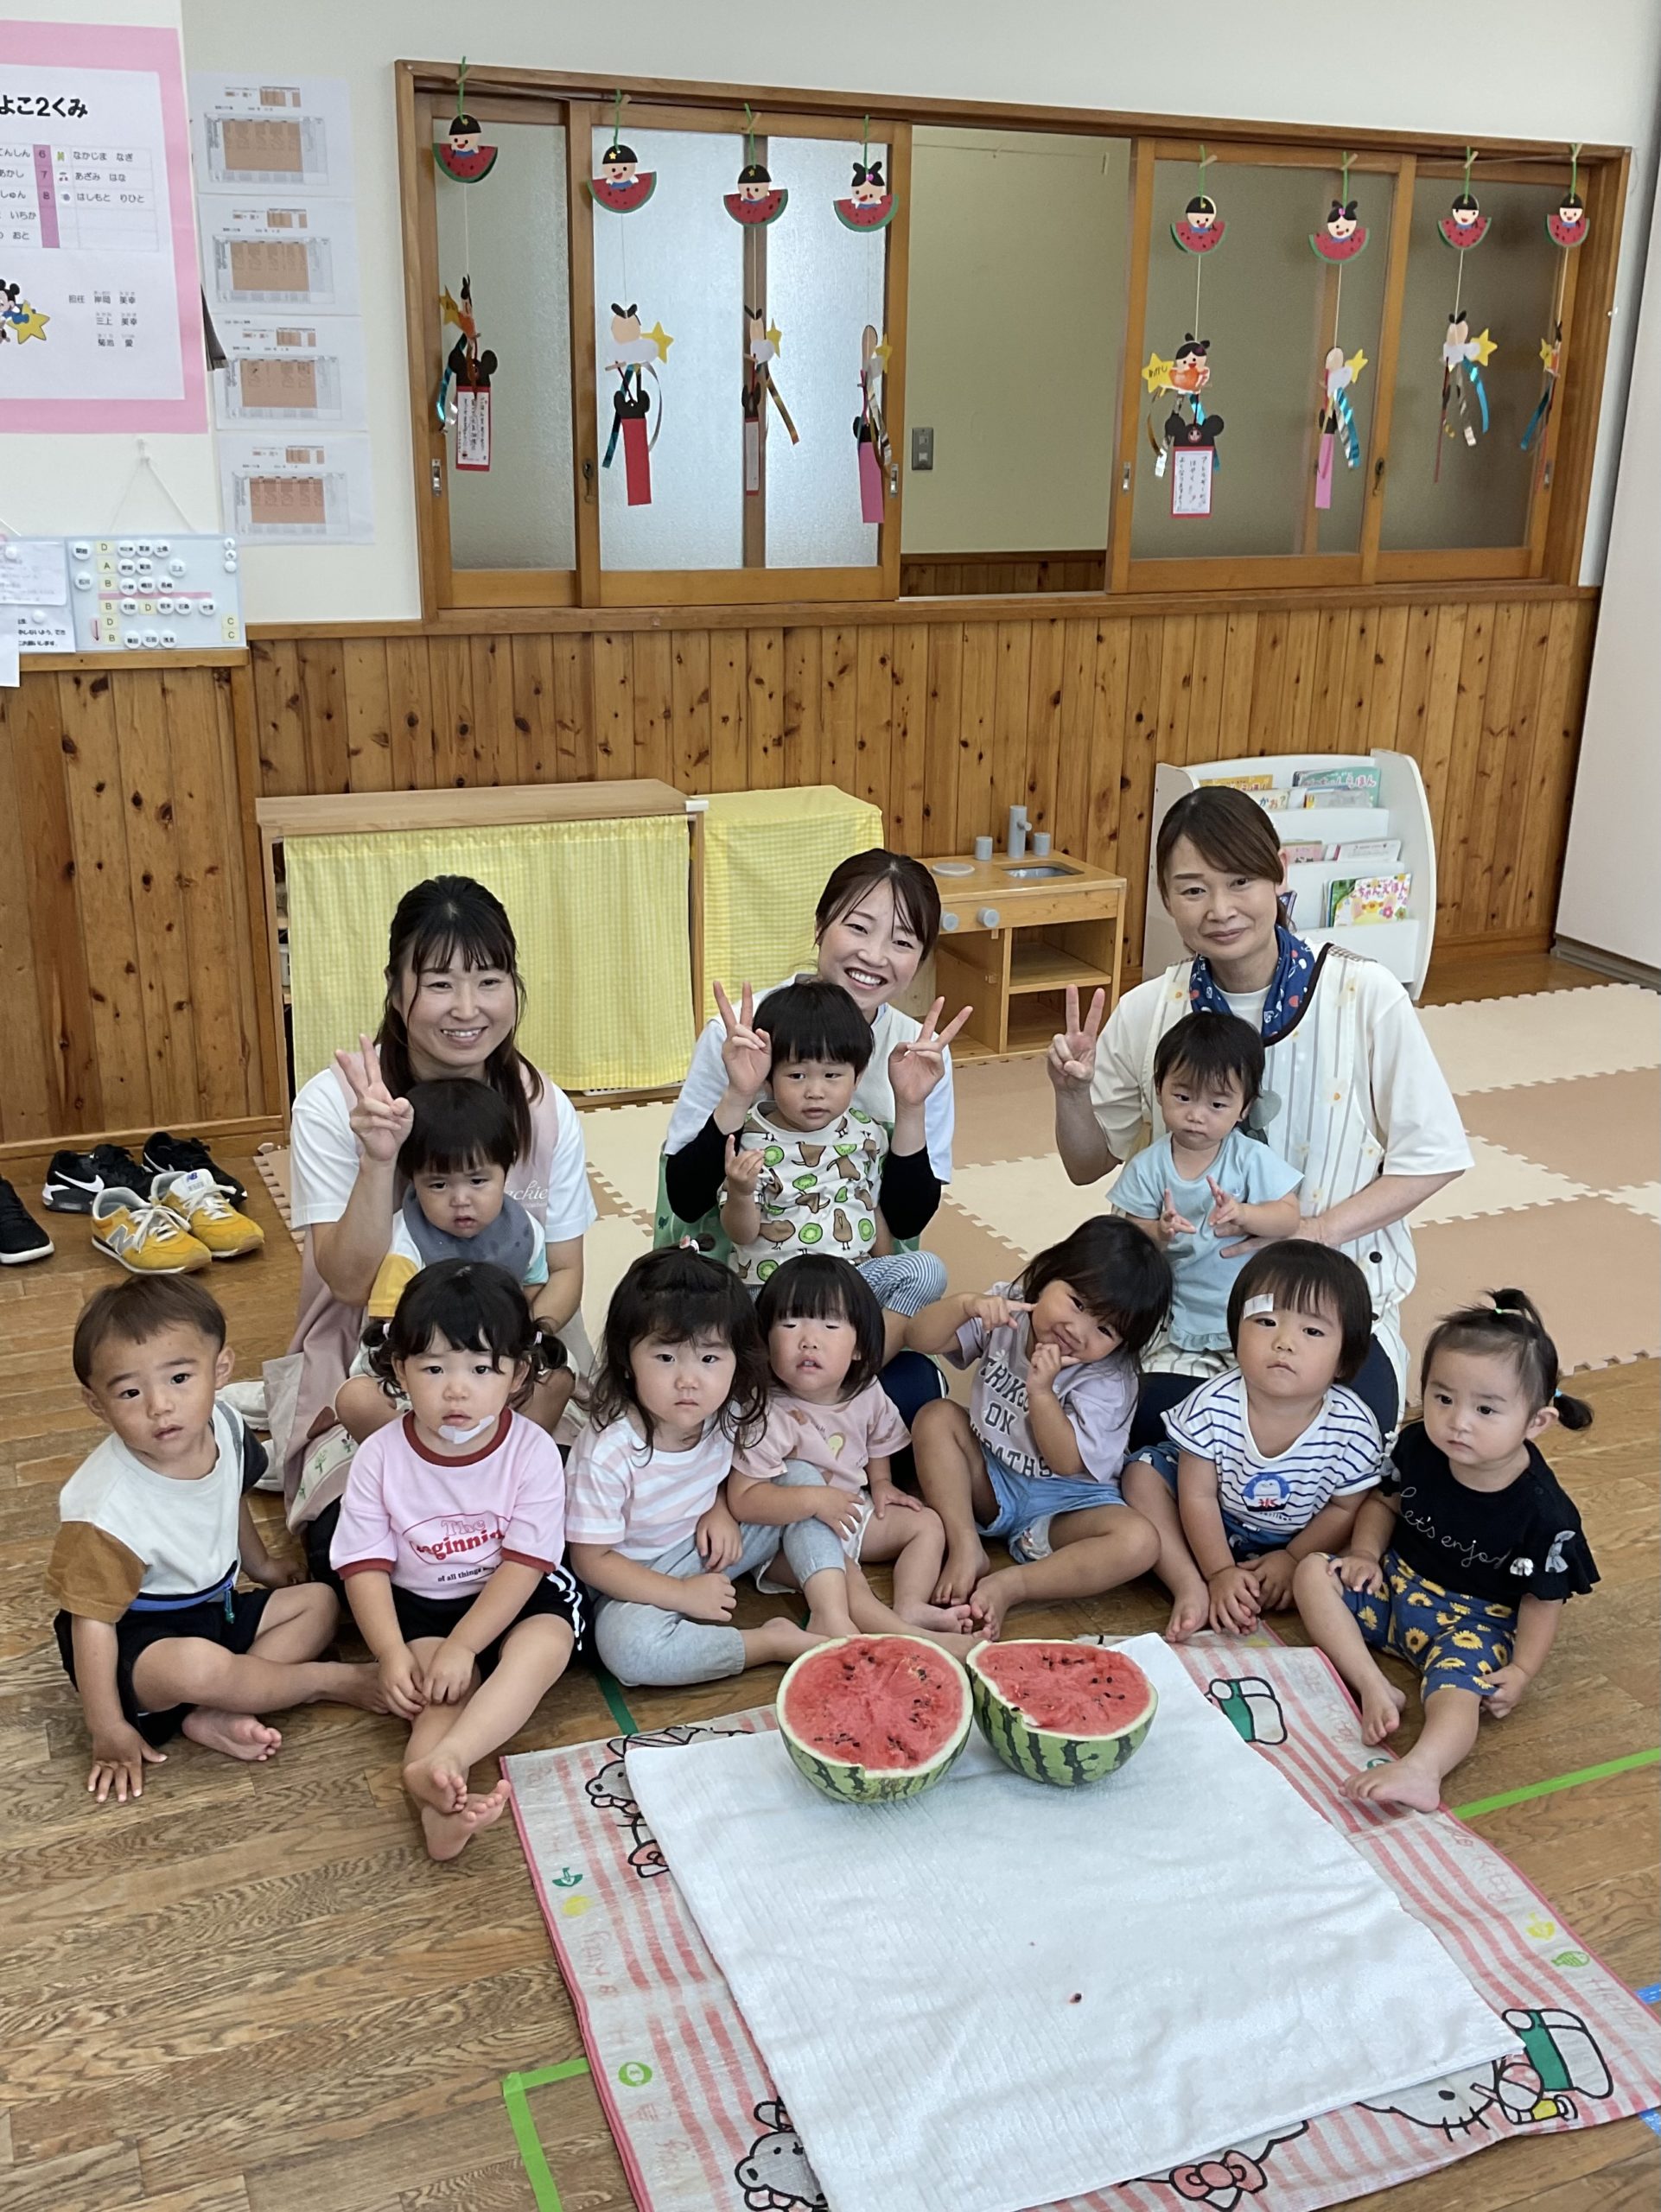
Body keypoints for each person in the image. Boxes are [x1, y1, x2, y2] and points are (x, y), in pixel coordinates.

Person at [1048, 785, 1471, 1436]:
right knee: (1140, 1440)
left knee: (1332, 1449)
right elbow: (1086, 1166)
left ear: (1279, 871)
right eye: (1193, 890)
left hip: (1325, 1301)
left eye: (1240, 881)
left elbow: (1433, 1157)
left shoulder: (1363, 995)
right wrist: (1071, 1093)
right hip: (1184, 1316)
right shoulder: (1149, 1010)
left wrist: (1317, 1230)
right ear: (1166, 898)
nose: (1220, 909)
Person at [282, 876, 595, 1571]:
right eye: (440, 983)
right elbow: (350, 1284)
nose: (467, 1008)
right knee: (350, 1557)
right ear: (397, 992)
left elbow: (565, 1269)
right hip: (380, 1352)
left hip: (515, 1353)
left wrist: (512, 1357)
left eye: (488, 981)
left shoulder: (542, 1108)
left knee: (591, 1537)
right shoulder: (334, 1105)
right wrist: (377, 1161)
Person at [660, 848, 968, 1428]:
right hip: (748, 1274)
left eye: (902, 941)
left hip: (847, 1287)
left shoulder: (920, 1053)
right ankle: (807, 1387)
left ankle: (831, 1378)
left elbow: (904, 1220)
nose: (874, 955)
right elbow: (686, 1199)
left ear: (922, 957)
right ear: (822, 924)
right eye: (858, 927)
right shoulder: (742, 1034)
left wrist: (909, 1106)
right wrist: (739, 1092)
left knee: (920, 1370)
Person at [47, 1277, 384, 1805]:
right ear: (96, 1403)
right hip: (137, 1646)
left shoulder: (224, 1423)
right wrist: (107, 1725)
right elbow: (92, 1624)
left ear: (220, 1370)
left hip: (211, 1608)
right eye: (130, 1392)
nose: (160, 1405)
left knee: (319, 1602)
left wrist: (262, 1565)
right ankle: (326, 1682)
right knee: (197, 1666)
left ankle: (217, 1711)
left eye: (180, 1377)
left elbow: (230, 1497)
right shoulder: (104, 1508)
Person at [1295, 1290, 1598, 1815]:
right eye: (1442, 1398)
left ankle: (1423, 1769)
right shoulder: (1419, 1447)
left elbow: (1542, 1601)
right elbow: (1384, 1502)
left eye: (1486, 1409)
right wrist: (1364, 1553)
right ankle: (1373, 1685)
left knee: (1458, 1696)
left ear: (1536, 1422)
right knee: (1311, 1573)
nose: (1458, 1421)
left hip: (1474, 1626)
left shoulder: (1545, 1514)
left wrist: (1522, 1671)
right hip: (1394, 1589)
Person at [331, 1261, 583, 1861]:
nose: (456, 1390)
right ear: (399, 1370)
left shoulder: (533, 1451)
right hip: (422, 1604)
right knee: (439, 1691)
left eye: (481, 1368)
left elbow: (526, 1564)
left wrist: (467, 1643)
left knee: (545, 1646)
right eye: (434, 1367)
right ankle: (436, 1807)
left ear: (517, 1373)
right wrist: (391, 1653)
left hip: (517, 1595)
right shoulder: (380, 1457)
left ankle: (450, 1759)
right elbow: (364, 1565)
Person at [566, 1249, 855, 1687]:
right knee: (626, 1647)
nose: (689, 1380)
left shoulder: (728, 1411)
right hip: (636, 1579)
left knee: (798, 1480)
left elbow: (723, 1476)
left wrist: (719, 1508)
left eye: (709, 1359)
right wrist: (682, 1594)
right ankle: (770, 1643)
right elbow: (592, 1561)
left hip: (711, 1547)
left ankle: (830, 1614)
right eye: (666, 1358)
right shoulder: (607, 1452)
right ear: (627, 1359)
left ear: (737, 1359)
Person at [905, 1217, 1170, 1638]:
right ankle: (965, 1544)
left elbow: (1066, 1462)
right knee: (936, 1418)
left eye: (1105, 1329)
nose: (1077, 1331)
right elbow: (919, 1338)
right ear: (1046, 1276)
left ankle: (1013, 1585)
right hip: (993, 1477)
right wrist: (965, 1305)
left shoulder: (1110, 1377)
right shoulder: (1009, 1310)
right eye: (1077, 1303)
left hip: (1068, 1503)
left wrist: (1042, 1394)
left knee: (1139, 1541)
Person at [1127, 1241, 1385, 1641]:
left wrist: (1294, 1557)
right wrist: (1218, 1572)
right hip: (1212, 1522)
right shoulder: (1212, 1404)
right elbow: (1198, 1496)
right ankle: (1189, 1583)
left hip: (1303, 1534)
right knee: (1140, 1476)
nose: (1284, 1342)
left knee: (1370, 1533)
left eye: (1312, 1331)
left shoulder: (1352, 1427)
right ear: (1235, 1334)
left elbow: (1344, 1506)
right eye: (1265, 1322)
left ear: (1344, 1360)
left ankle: (1281, 1579)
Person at [727, 1255, 976, 1645]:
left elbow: (879, 1439)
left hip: (849, 1511)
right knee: (845, 1577)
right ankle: (905, 1635)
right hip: (788, 1533)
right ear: (764, 1341)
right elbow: (744, 1502)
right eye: (790, 1324)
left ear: (859, 1347)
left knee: (927, 1525)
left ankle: (911, 1605)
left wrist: (882, 1483)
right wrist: (813, 1502)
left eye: (829, 1325)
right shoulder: (765, 1410)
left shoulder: (865, 1391)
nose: (809, 1339)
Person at [334, 1078, 573, 1445]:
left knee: (560, 1377)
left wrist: (505, 1356)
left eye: (477, 1181)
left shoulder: (522, 1230)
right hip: (424, 1371)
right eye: (438, 1185)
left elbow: (532, 1284)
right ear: (412, 1180)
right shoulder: (405, 1244)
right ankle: (422, 1457)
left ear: (506, 1170)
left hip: (493, 1364)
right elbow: (391, 1327)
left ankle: (507, 1453)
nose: (461, 1199)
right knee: (357, 1400)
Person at [715, 977, 947, 1351]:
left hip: (852, 1281)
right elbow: (741, 1234)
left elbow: (870, 1206)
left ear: (858, 1076)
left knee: (926, 1269)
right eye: (796, 1075)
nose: (815, 1091)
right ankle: (825, 1363)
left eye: (832, 1075)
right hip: (774, 1286)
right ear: (768, 1079)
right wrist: (741, 1192)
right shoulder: (750, 1136)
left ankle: (865, 1363)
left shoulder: (867, 1133)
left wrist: (886, 1267)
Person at [1112, 1012, 1303, 1368]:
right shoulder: (1147, 1166)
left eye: (1217, 1105)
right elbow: (1129, 1234)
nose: (1197, 1115)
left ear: (1245, 1108)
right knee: (1152, 1378)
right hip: (1173, 1314)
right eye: (1183, 1096)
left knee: (1269, 1380)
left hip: (1252, 1312)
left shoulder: (1250, 1157)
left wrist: (1245, 1214)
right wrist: (1159, 1232)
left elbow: (1289, 1217)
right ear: (1159, 1089)